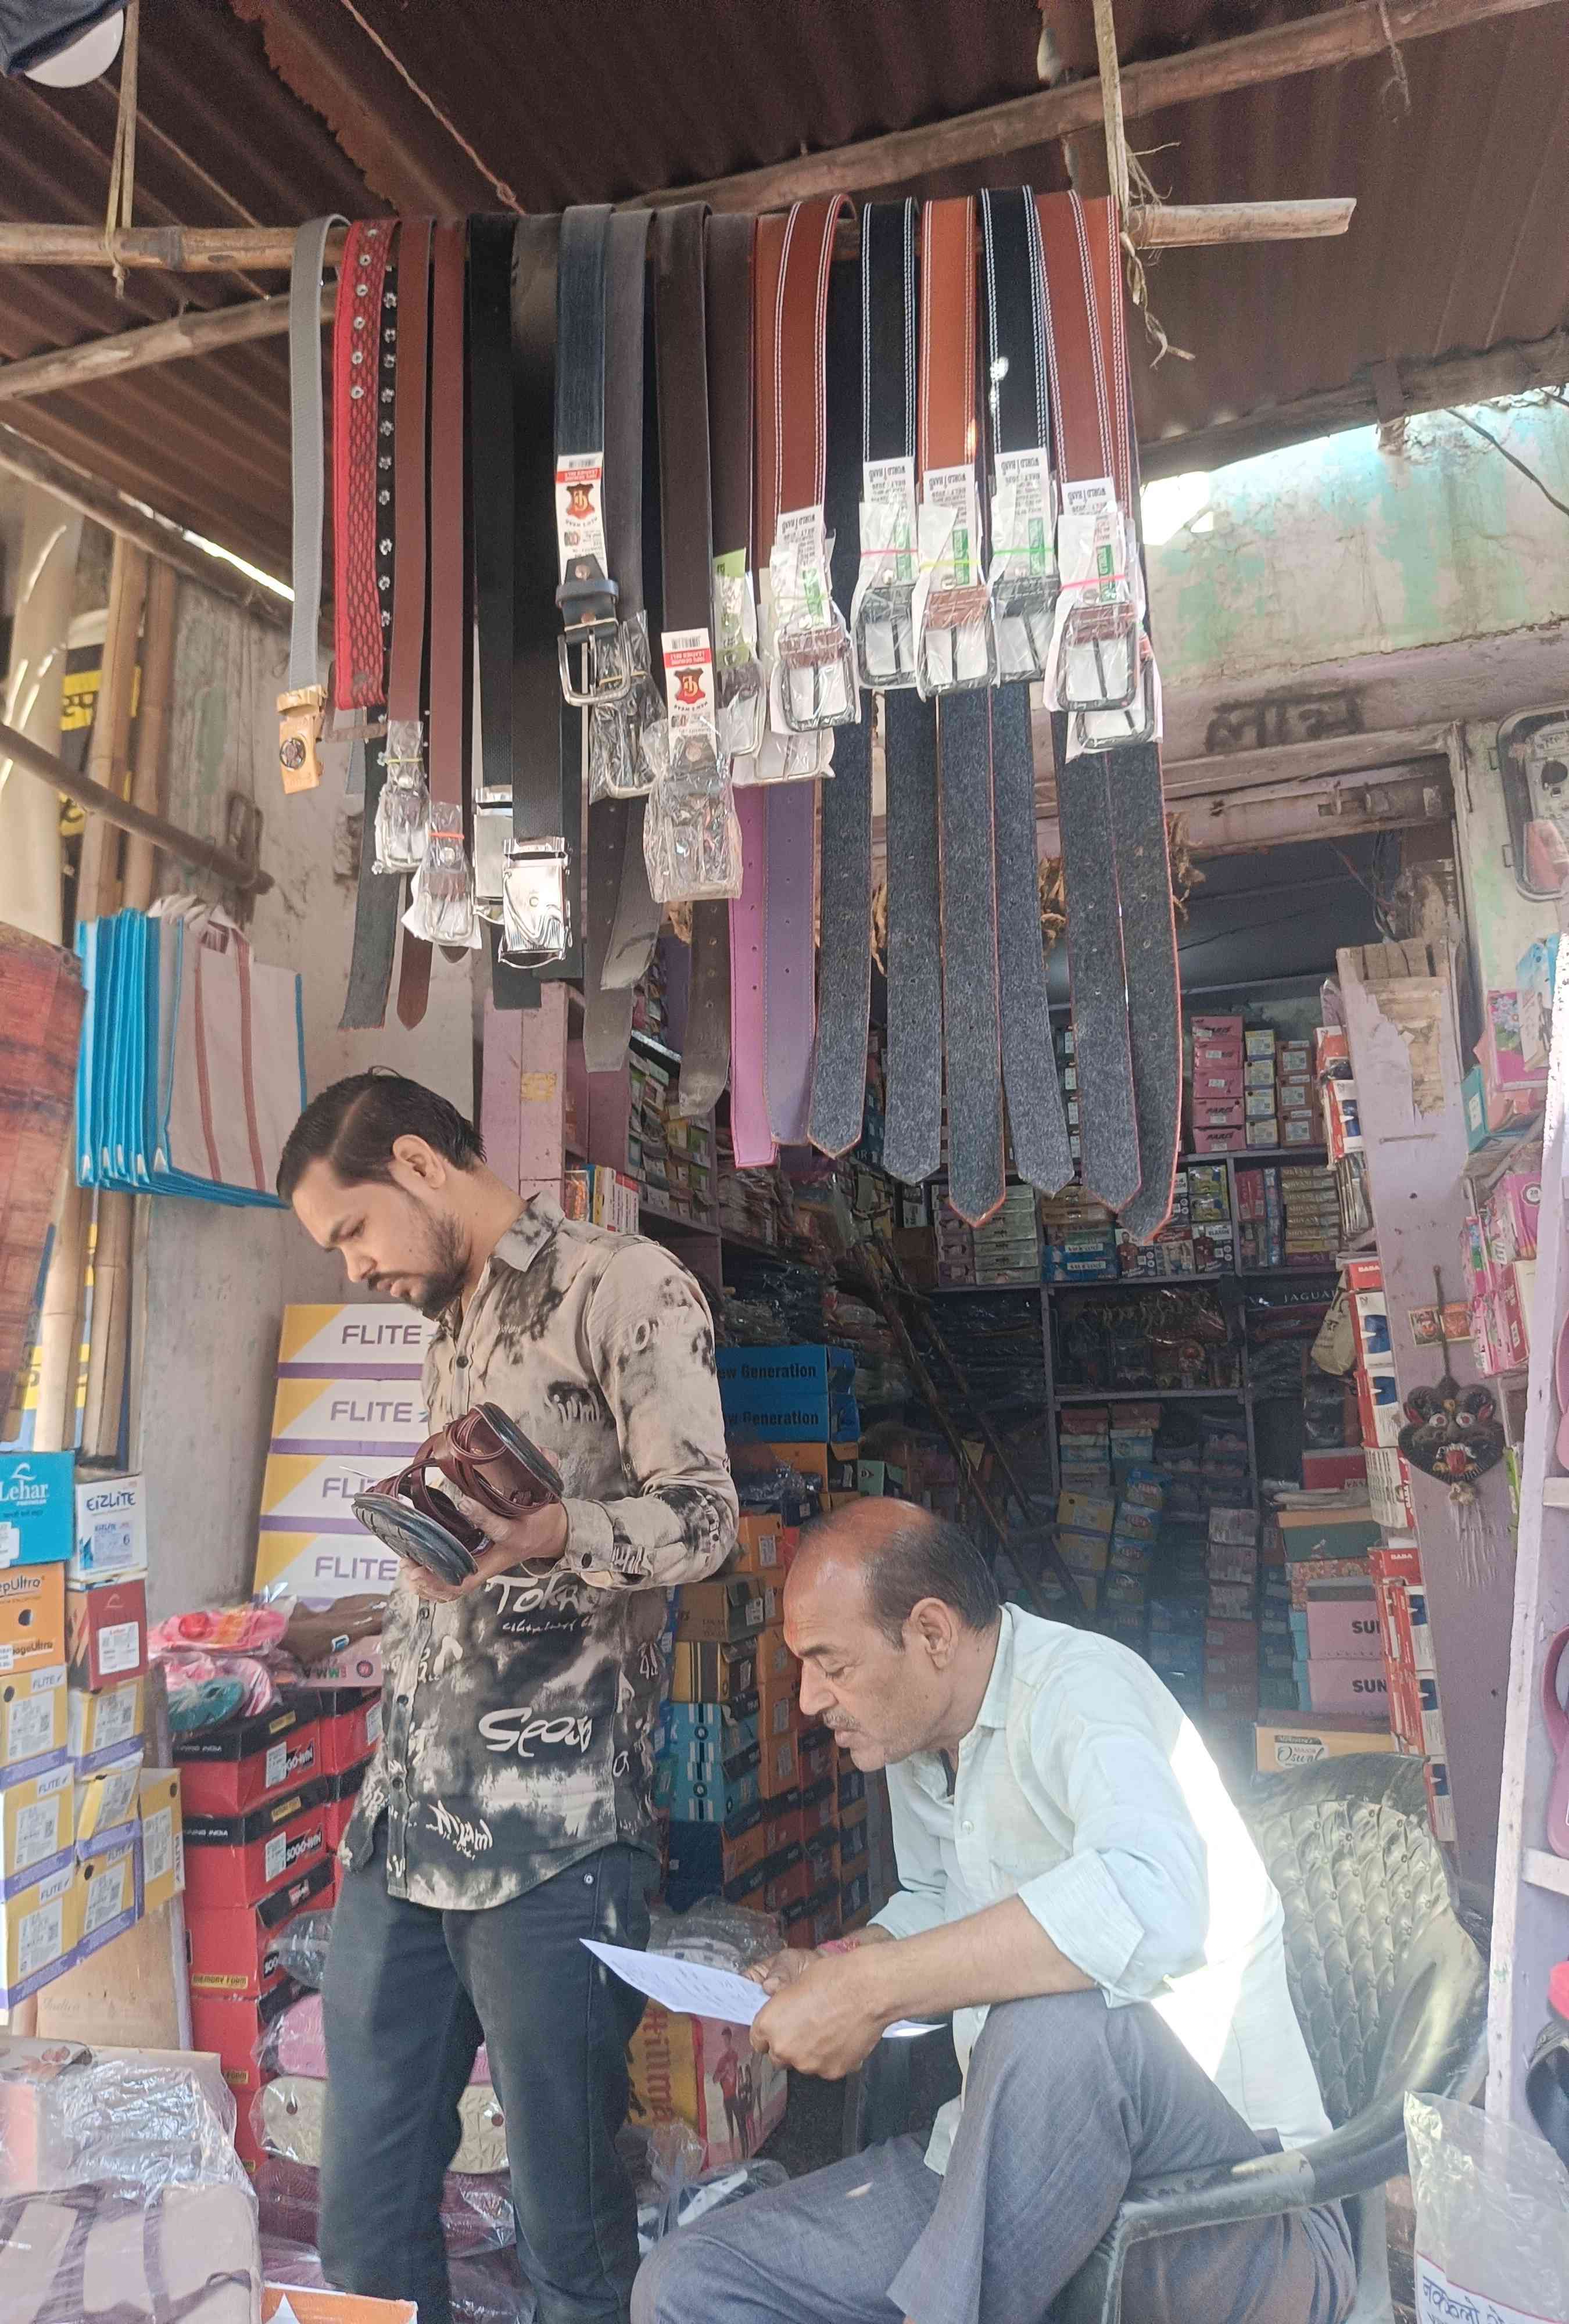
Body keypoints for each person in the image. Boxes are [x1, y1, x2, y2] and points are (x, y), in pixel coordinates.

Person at [635, 1501, 1357, 2324]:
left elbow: (1154, 1895)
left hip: (1226, 2211)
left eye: (831, 1665)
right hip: (996, 2170)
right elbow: (943, 1902)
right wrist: (842, 1965)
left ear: (932, 1634)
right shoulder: (920, 1743)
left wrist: (874, 1989)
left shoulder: (1082, 1690)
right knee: (691, 2283)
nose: (806, 1700)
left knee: (1056, 2024)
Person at [277, 1070, 737, 2324]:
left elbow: (706, 1520)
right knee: (362, 2226)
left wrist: (556, 1530)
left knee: (568, 2241)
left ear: (418, 1164)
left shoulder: (623, 1284)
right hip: (404, 1831)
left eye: (353, 1231)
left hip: (555, 1841)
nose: (355, 1268)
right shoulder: (452, 1323)